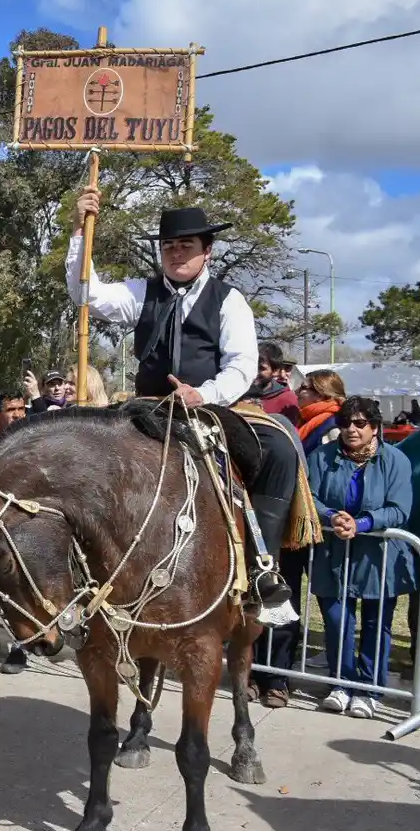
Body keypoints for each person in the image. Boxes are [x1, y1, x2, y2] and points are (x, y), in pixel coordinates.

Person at [69, 188, 298, 625]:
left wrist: (202, 394)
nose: (176, 253)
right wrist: (80, 229)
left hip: (207, 407)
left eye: (186, 245)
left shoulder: (229, 300)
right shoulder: (143, 291)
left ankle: (262, 571)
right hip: (145, 407)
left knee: (281, 450)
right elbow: (88, 295)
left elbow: (242, 365)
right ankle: (82, 567)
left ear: (207, 252)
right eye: (169, 246)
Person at [306, 397, 414, 718]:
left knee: (375, 623)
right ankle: (341, 682)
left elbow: (399, 508)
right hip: (333, 554)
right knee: (338, 620)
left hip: (378, 556)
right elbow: (309, 496)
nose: (351, 429)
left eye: (360, 423)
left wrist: (362, 523)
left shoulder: (395, 460)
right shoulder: (321, 457)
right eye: (345, 423)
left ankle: (369, 690)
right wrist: (330, 516)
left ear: (375, 427)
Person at [251, 367, 348, 706]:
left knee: (297, 604)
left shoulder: (330, 429)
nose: (300, 392)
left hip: (307, 530)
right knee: (270, 600)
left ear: (326, 395)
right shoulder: (295, 424)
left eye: (307, 388)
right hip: (280, 527)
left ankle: (279, 677)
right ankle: (258, 672)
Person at [245, 342, 300, 423]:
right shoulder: (236, 394)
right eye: (251, 366)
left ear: (275, 371)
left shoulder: (287, 400)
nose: (254, 372)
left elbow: (289, 434)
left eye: (261, 368)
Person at [297, 369, 346, 450]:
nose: (296, 391)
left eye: (303, 387)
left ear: (320, 395)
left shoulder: (332, 427)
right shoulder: (306, 418)